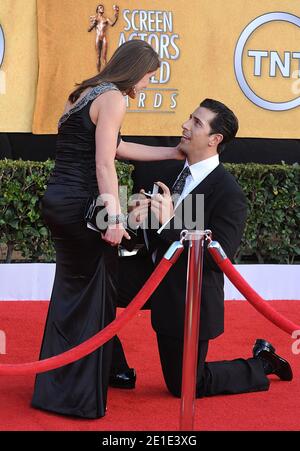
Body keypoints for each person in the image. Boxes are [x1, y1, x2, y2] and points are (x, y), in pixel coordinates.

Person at [31, 39, 184, 419]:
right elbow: (104, 165)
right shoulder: (115, 97)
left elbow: (114, 147)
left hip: (58, 201)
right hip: (85, 205)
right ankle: (76, 397)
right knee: (94, 297)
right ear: (137, 70)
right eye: (150, 77)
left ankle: (58, 385)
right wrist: (114, 218)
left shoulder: (83, 93)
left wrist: (171, 151)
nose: (148, 84)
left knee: (73, 293)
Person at [110, 98, 293, 396]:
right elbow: (149, 231)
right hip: (149, 273)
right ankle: (114, 368)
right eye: (189, 118)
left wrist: (169, 221)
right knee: (93, 284)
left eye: (196, 123)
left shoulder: (228, 193)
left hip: (188, 292)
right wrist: (134, 219)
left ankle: (261, 363)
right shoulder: (164, 170)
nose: (184, 125)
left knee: (185, 386)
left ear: (214, 139)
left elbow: (217, 256)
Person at [88, 4, 119, 72]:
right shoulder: (95, 18)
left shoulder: (106, 19)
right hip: (98, 38)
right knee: (98, 56)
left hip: (104, 37)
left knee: (104, 57)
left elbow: (112, 24)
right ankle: (98, 74)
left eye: (102, 8)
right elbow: (89, 29)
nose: (102, 8)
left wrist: (116, 16)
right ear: (98, 10)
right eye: (100, 8)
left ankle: (106, 75)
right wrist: (93, 24)